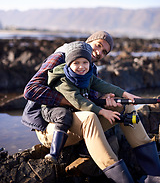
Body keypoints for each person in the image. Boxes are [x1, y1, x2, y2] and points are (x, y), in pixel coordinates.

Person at [22, 31, 160, 183]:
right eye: (98, 45)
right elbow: (31, 89)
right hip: (52, 127)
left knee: (124, 107)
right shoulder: (62, 57)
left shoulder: (89, 67)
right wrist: (71, 101)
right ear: (88, 41)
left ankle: (155, 175)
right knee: (90, 116)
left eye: (105, 52)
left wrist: (104, 98)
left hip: (77, 122)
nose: (99, 52)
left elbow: (91, 95)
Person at [42, 41, 124, 162]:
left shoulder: (87, 75)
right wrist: (102, 111)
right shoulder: (63, 79)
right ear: (69, 64)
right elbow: (78, 100)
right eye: (76, 63)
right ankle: (54, 153)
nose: (81, 66)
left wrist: (125, 94)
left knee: (101, 110)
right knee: (65, 116)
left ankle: (85, 146)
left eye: (85, 62)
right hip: (52, 109)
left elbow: (102, 85)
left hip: (73, 108)